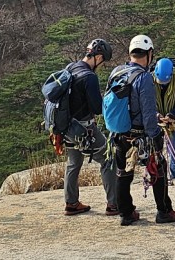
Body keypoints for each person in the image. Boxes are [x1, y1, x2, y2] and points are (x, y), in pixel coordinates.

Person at [108, 35, 175, 227]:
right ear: (149, 54)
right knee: (159, 168)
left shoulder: (117, 72)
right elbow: (149, 113)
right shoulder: (144, 78)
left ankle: (126, 213)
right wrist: (156, 135)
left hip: (118, 133)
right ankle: (164, 211)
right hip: (140, 135)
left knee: (123, 171)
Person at [63, 38, 118, 216]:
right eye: (103, 61)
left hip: (67, 128)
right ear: (99, 57)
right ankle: (114, 204)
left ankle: (71, 203)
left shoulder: (71, 67)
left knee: (73, 163)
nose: (102, 65)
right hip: (85, 130)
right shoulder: (90, 77)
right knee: (108, 159)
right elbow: (97, 108)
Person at [152, 57, 175, 185]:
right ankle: (157, 174)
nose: (163, 84)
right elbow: (145, 100)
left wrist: (172, 114)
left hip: (172, 117)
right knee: (154, 147)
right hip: (155, 117)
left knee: (174, 146)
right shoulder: (149, 79)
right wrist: (156, 114)